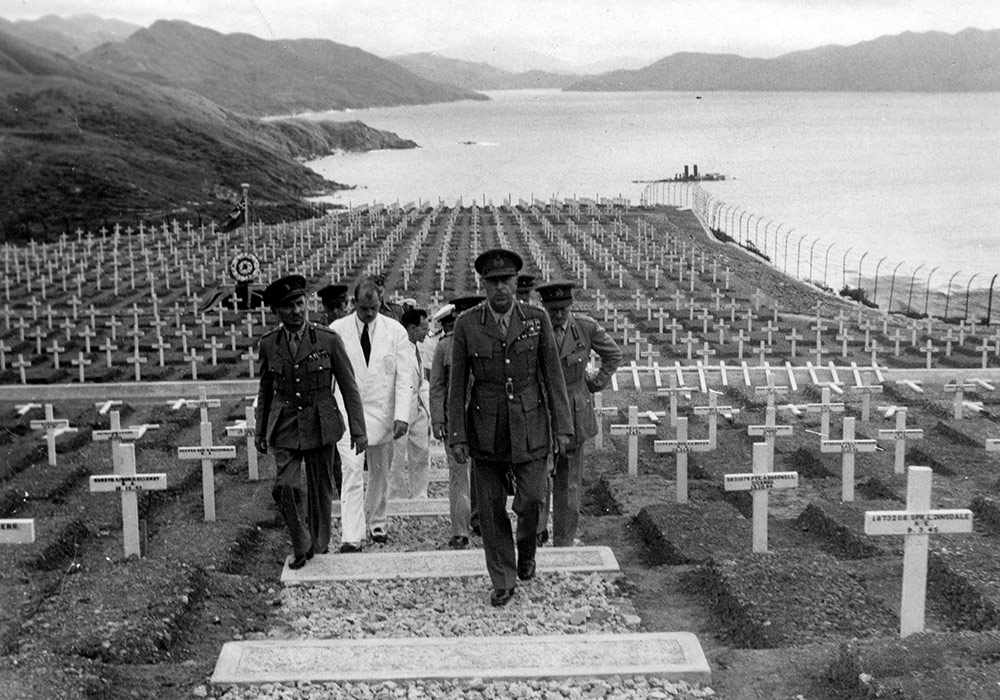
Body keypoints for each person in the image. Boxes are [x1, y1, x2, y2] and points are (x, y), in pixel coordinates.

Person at [448, 249, 573, 607]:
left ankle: (527, 547)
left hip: (530, 424)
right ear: (483, 285)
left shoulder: (536, 319)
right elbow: (458, 384)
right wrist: (457, 434)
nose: (500, 288)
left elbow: (552, 376)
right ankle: (502, 578)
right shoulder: (467, 325)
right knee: (489, 507)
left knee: (532, 498)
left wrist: (562, 428)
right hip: (485, 427)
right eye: (492, 282)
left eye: (506, 281)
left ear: (517, 283)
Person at [254, 274, 367, 569]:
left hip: (321, 420)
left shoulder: (327, 340)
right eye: (288, 307)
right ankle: (302, 543)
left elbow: (348, 385)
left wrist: (358, 429)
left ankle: (317, 544)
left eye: (299, 303)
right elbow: (265, 389)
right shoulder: (269, 345)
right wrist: (259, 429)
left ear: (306, 304)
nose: (295, 311)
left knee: (320, 490)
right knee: (286, 486)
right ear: (277, 312)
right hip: (285, 424)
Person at [535, 280, 622, 547]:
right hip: (542, 410)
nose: (558, 315)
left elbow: (613, 355)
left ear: (570, 306)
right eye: (553, 310)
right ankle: (537, 534)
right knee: (537, 478)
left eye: (563, 309)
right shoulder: (535, 329)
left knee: (569, 483)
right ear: (545, 308)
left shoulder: (585, 328)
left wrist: (594, 384)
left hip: (575, 411)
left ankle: (564, 540)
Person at [330, 278, 415, 551]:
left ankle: (377, 521)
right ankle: (351, 536)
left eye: (374, 308)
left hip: (383, 411)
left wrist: (403, 414)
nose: (369, 314)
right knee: (352, 471)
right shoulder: (337, 331)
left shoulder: (395, 331)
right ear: (354, 304)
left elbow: (405, 376)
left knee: (380, 471)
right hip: (348, 412)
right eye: (364, 308)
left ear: (381, 303)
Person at [430, 295, 484, 549]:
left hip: (486, 418)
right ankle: (460, 531)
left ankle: (481, 521)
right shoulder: (445, 346)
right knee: (459, 475)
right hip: (457, 421)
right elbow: (437, 386)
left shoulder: (490, 341)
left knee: (484, 474)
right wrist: (438, 420)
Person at [388, 308, 432, 499]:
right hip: (400, 410)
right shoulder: (397, 348)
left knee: (422, 452)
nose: (426, 332)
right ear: (412, 328)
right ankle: (394, 494)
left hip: (418, 407)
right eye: (423, 328)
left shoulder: (417, 347)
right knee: (396, 457)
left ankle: (419, 493)